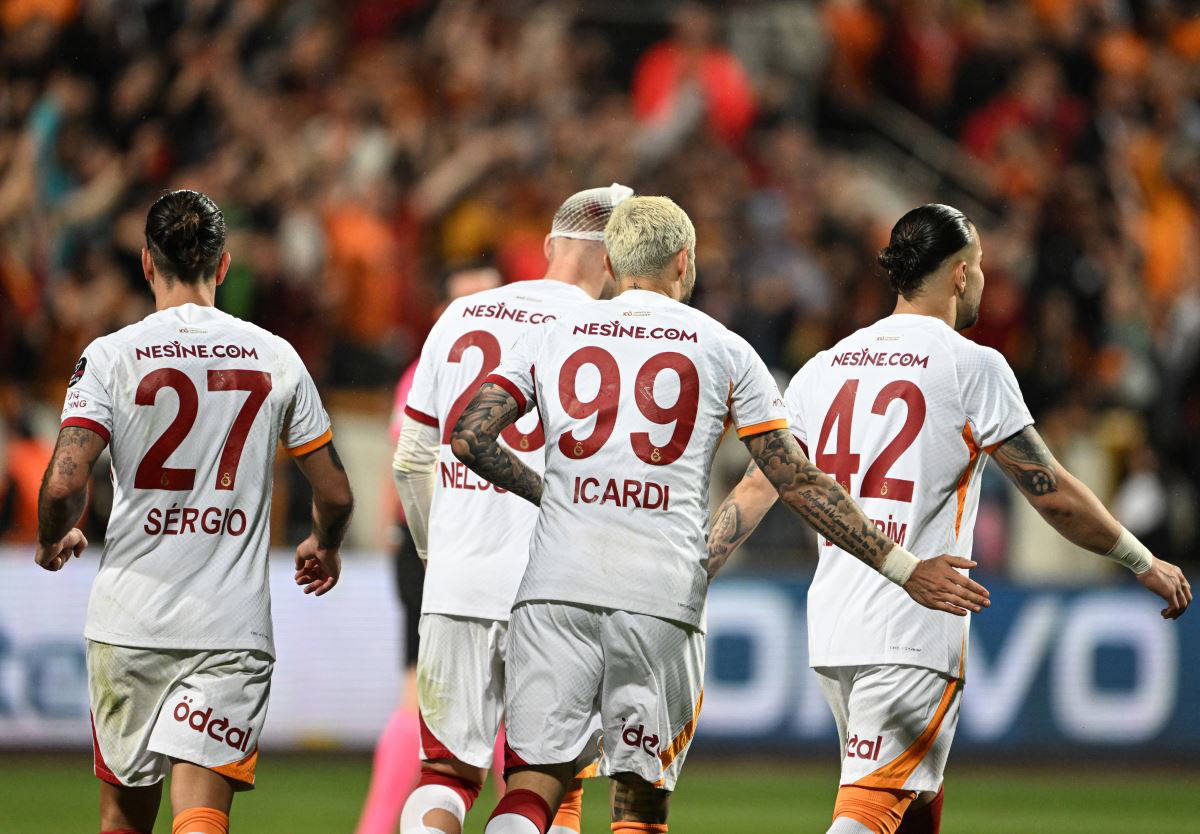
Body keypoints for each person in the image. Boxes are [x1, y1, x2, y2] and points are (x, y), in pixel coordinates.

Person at [450, 196, 987, 834]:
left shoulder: (553, 334)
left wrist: (552, 497)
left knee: (535, 783)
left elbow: (470, 437)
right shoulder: (723, 347)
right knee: (640, 803)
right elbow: (795, 479)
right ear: (684, 261)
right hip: (658, 598)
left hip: (554, 588)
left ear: (613, 264)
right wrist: (902, 567)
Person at [706, 203, 1193, 834]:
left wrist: (696, 568)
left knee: (912, 802)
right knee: (868, 812)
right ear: (960, 273)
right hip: (914, 622)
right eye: (981, 264)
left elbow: (758, 485)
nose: (985, 277)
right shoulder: (972, 365)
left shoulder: (823, 367)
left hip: (834, 628)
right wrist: (1140, 559)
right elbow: (1052, 494)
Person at [34, 189, 354, 834]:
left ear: (146, 263)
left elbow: (63, 484)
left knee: (124, 822)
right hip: (229, 627)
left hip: (129, 623)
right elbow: (337, 493)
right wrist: (325, 542)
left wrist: (52, 537)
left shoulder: (111, 356)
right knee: (202, 817)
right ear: (224, 265)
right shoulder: (275, 355)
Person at [391, 185, 635, 834]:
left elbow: (410, 462)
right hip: (556, 591)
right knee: (544, 781)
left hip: (458, 583)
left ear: (550, 245)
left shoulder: (460, 315)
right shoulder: (610, 333)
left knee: (444, 776)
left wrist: (435, 555)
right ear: (616, 260)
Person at [355, 263, 505, 834]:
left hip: (487, 546)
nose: (481, 311)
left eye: (489, 298)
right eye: (467, 301)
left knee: (515, 704)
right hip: (434, 548)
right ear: (442, 312)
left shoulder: (519, 370)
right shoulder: (426, 372)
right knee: (422, 695)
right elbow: (408, 469)